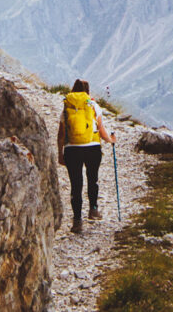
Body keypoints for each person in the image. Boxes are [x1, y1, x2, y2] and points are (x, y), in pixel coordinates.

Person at [57, 79, 116, 233]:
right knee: (92, 179)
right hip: (92, 148)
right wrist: (110, 140)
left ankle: (77, 221)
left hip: (72, 150)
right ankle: (93, 210)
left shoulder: (66, 107)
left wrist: (60, 153)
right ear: (87, 91)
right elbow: (101, 130)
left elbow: (61, 135)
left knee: (76, 185)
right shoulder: (93, 106)